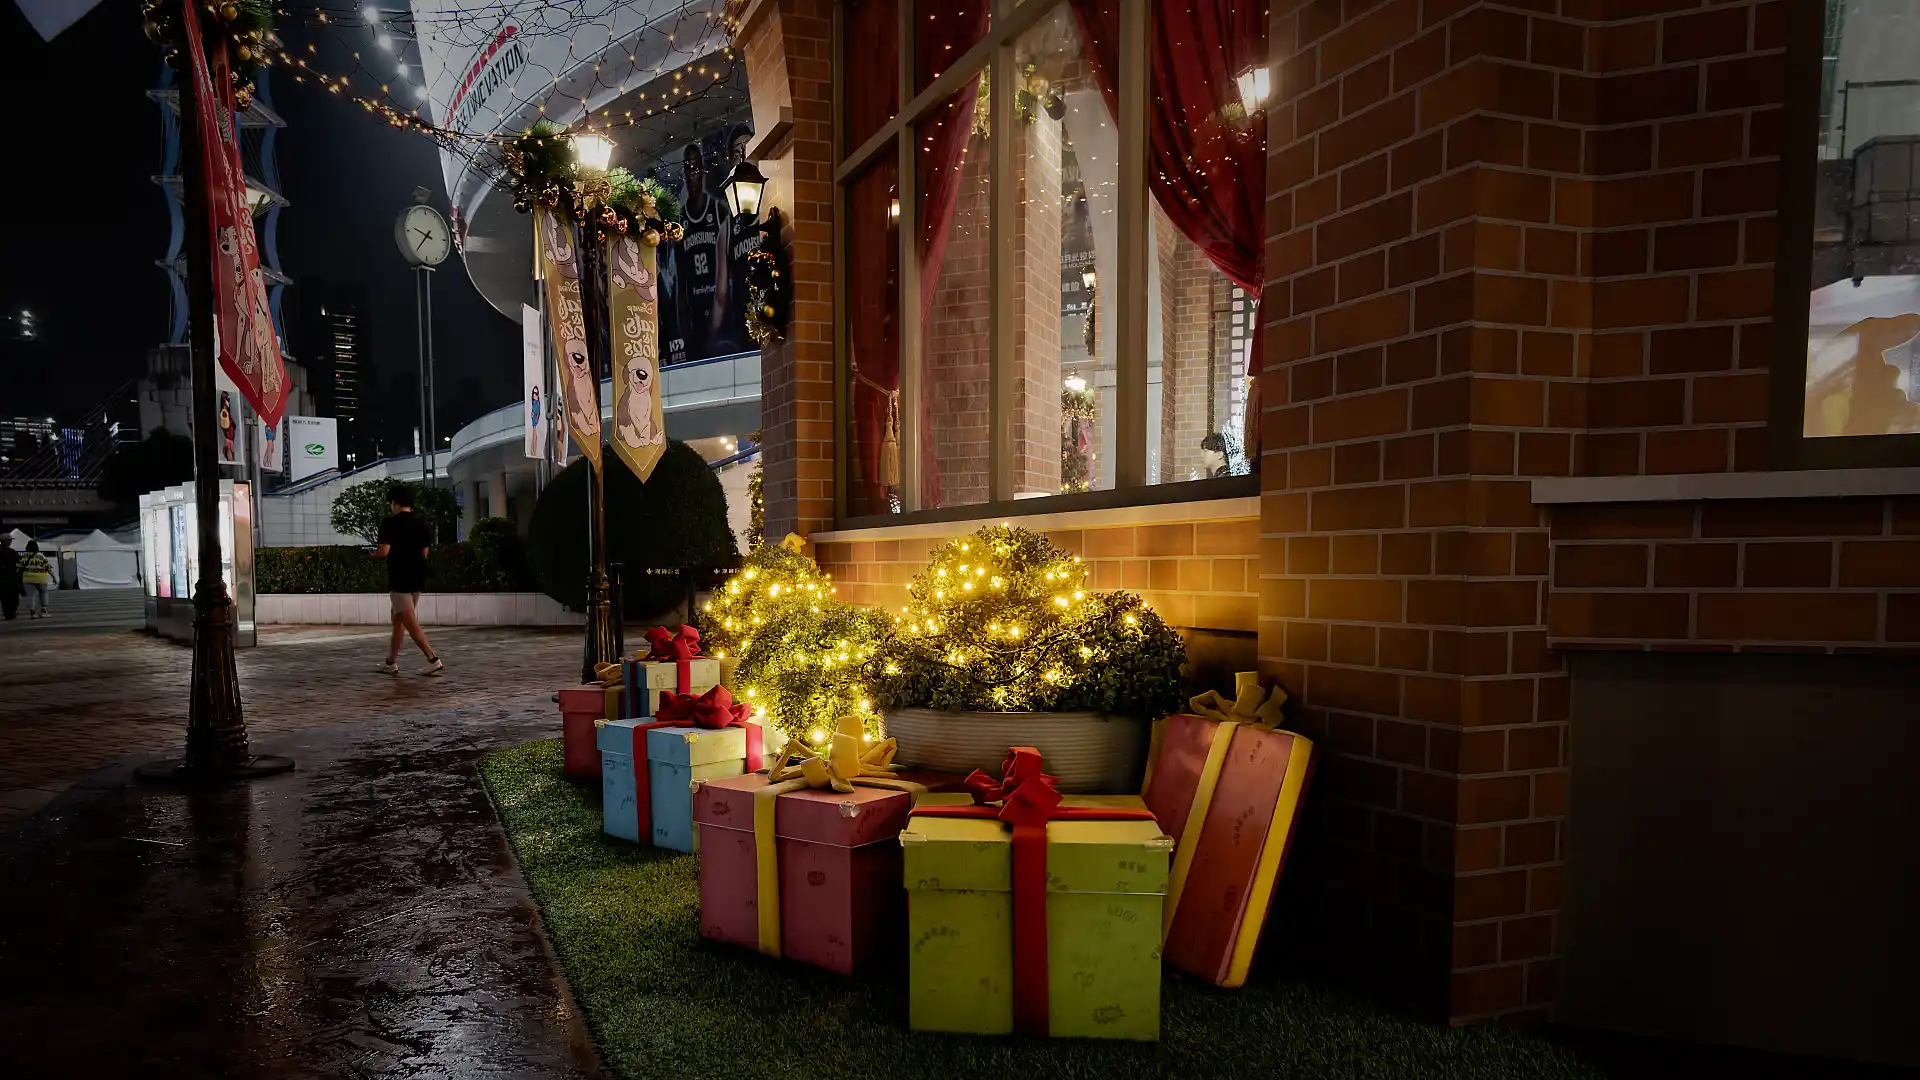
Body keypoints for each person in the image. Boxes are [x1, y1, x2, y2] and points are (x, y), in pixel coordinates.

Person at [372, 485, 442, 676]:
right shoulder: (422, 523)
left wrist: (372, 555)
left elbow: (384, 551)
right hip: (417, 576)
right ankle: (391, 662)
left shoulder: (389, 523)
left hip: (399, 578)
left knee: (409, 622)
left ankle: (433, 659)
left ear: (395, 503)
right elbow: (425, 553)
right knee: (398, 620)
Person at [19, 540, 53, 620]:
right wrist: (53, 577)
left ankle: (32, 613)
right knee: (43, 593)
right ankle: (44, 611)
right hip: (41, 578)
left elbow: (19, 568)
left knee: (30, 596)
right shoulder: (41, 555)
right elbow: (48, 567)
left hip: (27, 578)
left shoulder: (24, 556)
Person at [0, 539, 20, 620]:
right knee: (4, 598)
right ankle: (8, 613)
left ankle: (11, 611)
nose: (10, 542)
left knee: (14, 598)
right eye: (9, 540)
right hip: (2, 578)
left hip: (12, 577)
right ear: (4, 541)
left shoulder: (13, 551)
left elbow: (18, 562)